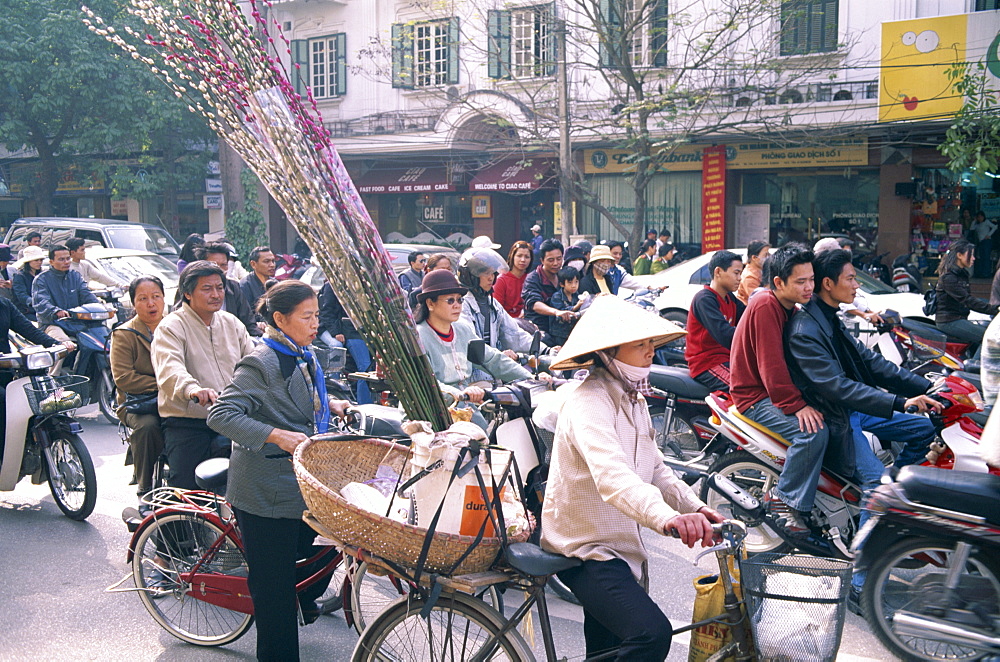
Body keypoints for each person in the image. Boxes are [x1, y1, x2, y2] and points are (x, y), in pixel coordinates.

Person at [541, 294, 723, 661]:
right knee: (651, 634)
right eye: (639, 344)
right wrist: (668, 518)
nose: (649, 351)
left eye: (650, 343)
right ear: (609, 352)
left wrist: (697, 508)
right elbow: (614, 477)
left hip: (621, 546)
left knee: (608, 649)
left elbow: (657, 469)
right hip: (585, 546)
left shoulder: (634, 400)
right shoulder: (589, 401)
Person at [785, 249, 942, 604]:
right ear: (829, 284)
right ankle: (859, 579)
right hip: (837, 417)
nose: (856, 286)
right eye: (851, 279)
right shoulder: (806, 328)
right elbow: (837, 387)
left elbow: (870, 363)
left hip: (852, 410)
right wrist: (900, 402)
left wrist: (926, 386)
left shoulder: (831, 318)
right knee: (875, 482)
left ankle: (889, 502)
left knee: (922, 431)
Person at [207, 280, 347, 662]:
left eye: (317, 315)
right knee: (274, 593)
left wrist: (330, 404)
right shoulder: (261, 361)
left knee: (324, 551)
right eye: (308, 316)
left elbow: (303, 399)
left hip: (302, 481)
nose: (316, 323)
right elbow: (221, 415)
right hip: (266, 491)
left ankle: (304, 599)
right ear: (281, 319)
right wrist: (274, 435)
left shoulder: (304, 353)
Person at [729, 244, 828, 537]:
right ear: (778, 282)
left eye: (811, 279)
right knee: (812, 432)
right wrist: (796, 406)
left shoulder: (790, 307)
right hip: (754, 397)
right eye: (801, 281)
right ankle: (783, 499)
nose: (809, 286)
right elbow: (771, 366)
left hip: (771, 392)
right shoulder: (765, 305)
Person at [151, 261, 255, 489]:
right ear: (187, 293)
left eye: (219, 288)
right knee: (186, 489)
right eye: (207, 288)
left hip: (231, 417)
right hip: (188, 421)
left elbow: (254, 364)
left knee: (250, 483)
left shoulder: (232, 323)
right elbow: (170, 370)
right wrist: (193, 390)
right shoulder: (171, 326)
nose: (216, 294)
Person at [415, 270, 530, 428]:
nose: (457, 305)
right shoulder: (418, 338)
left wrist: (529, 380)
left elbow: (492, 359)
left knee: (486, 440)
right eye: (450, 300)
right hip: (429, 413)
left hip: (463, 408)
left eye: (459, 300)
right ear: (430, 304)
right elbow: (427, 383)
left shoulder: (462, 329)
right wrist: (458, 393)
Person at [109, 276, 167, 505]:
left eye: (156, 297)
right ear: (133, 303)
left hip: (178, 398)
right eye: (143, 299)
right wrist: (166, 384)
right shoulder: (124, 334)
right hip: (138, 403)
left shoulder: (177, 326)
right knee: (148, 426)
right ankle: (144, 485)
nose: (151, 304)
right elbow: (124, 379)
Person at [458, 247, 546, 373]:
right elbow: (472, 343)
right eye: (485, 273)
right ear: (470, 276)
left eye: (493, 273)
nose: (491, 278)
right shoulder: (462, 304)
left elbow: (514, 333)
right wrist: (500, 355)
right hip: (471, 375)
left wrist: (545, 350)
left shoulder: (492, 303)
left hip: (494, 370)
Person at [32, 244, 102, 373]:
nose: (66, 262)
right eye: (61, 259)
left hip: (76, 322)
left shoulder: (75, 276)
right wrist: (56, 311)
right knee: (63, 344)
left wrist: (100, 307)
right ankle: (52, 379)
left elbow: (86, 294)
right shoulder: (41, 279)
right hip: (51, 324)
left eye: (68, 258)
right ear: (51, 261)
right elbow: (41, 302)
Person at [685, 250, 746, 391]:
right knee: (745, 389)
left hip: (727, 359)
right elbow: (725, 334)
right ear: (718, 272)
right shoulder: (705, 299)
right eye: (736, 273)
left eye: (740, 274)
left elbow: (749, 318)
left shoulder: (730, 298)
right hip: (706, 363)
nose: (739, 278)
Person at [935, 239, 998, 355]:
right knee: (989, 339)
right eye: (971, 254)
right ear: (959, 255)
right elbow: (967, 300)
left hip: (959, 318)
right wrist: (994, 309)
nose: (974, 258)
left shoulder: (961, 274)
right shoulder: (949, 277)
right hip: (949, 321)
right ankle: (974, 369)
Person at [317, 281, 373, 404]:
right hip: (345, 330)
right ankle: (337, 393)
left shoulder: (364, 284)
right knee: (363, 366)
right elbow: (326, 312)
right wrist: (336, 332)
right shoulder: (332, 285)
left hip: (362, 331)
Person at [196, 242, 262, 337]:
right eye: (213, 265)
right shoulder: (191, 286)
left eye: (224, 265)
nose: (219, 269)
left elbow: (248, 322)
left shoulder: (234, 287)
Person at [522, 239, 575, 334]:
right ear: (542, 260)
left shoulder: (564, 275)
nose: (555, 263)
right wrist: (556, 312)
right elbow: (534, 304)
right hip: (539, 328)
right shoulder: (533, 278)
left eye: (559, 259)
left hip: (562, 327)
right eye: (551, 260)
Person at [579, 245, 645, 296]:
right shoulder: (586, 282)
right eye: (602, 261)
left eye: (608, 261)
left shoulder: (608, 279)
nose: (606, 264)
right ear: (594, 262)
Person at [493, 240, 532, 319]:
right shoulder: (501, 280)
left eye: (527, 257)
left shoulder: (531, 279)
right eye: (519, 256)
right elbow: (496, 309)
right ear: (512, 256)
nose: (523, 260)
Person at [548, 266, 582, 346]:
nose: (574, 285)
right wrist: (576, 306)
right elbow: (562, 311)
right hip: (559, 333)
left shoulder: (577, 296)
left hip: (572, 332)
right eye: (570, 282)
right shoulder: (557, 297)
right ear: (562, 284)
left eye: (576, 282)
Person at [240, 245, 277, 312]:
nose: (272, 265)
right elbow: (246, 314)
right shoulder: (245, 285)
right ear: (253, 264)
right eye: (266, 261)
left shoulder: (275, 283)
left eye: (273, 261)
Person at [12, 245, 44, 320]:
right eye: (36, 260)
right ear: (28, 261)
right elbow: (22, 295)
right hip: (26, 311)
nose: (39, 262)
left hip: (42, 309)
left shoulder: (42, 275)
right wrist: (36, 302)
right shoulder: (19, 276)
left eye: (41, 260)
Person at [737, 240, 769, 304]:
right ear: (754, 257)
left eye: (769, 254)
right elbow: (760, 300)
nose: (768, 257)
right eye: (765, 255)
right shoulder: (749, 277)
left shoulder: (761, 271)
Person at [970, 211, 997, 278]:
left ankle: (987, 273)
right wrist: (974, 221)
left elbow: (995, 227)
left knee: (986, 257)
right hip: (981, 242)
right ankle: (982, 272)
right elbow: (971, 228)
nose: (980, 218)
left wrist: (989, 234)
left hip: (987, 241)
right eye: (978, 217)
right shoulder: (977, 224)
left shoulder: (986, 222)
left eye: (981, 217)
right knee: (982, 257)